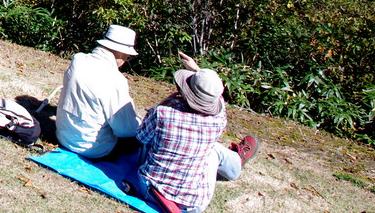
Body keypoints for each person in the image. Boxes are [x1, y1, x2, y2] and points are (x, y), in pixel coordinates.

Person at [132, 53, 260, 213]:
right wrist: (199, 71)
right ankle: (235, 165)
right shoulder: (218, 121)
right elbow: (218, 99)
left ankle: (234, 164)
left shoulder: (163, 113)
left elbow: (142, 137)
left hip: (149, 190)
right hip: (192, 204)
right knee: (213, 151)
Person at [56, 24, 141, 158]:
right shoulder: (115, 79)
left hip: (63, 136)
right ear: (120, 53)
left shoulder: (78, 60)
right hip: (93, 148)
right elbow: (125, 130)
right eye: (126, 56)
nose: (126, 60)